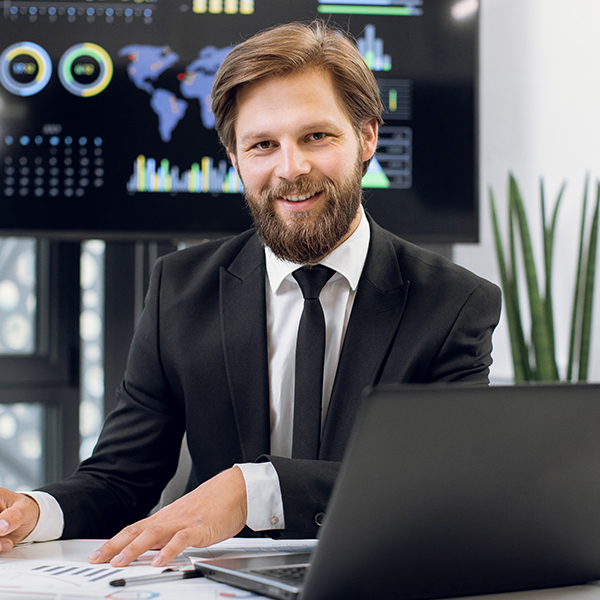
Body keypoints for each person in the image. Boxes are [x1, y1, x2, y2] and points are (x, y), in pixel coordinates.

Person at [0, 21, 501, 567]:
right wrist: (32, 510)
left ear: (366, 137)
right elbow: (122, 479)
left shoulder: (454, 303)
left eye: (317, 136)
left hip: (378, 579)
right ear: (236, 160)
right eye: (263, 145)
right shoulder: (178, 289)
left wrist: (254, 489)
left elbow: (441, 484)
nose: (291, 169)